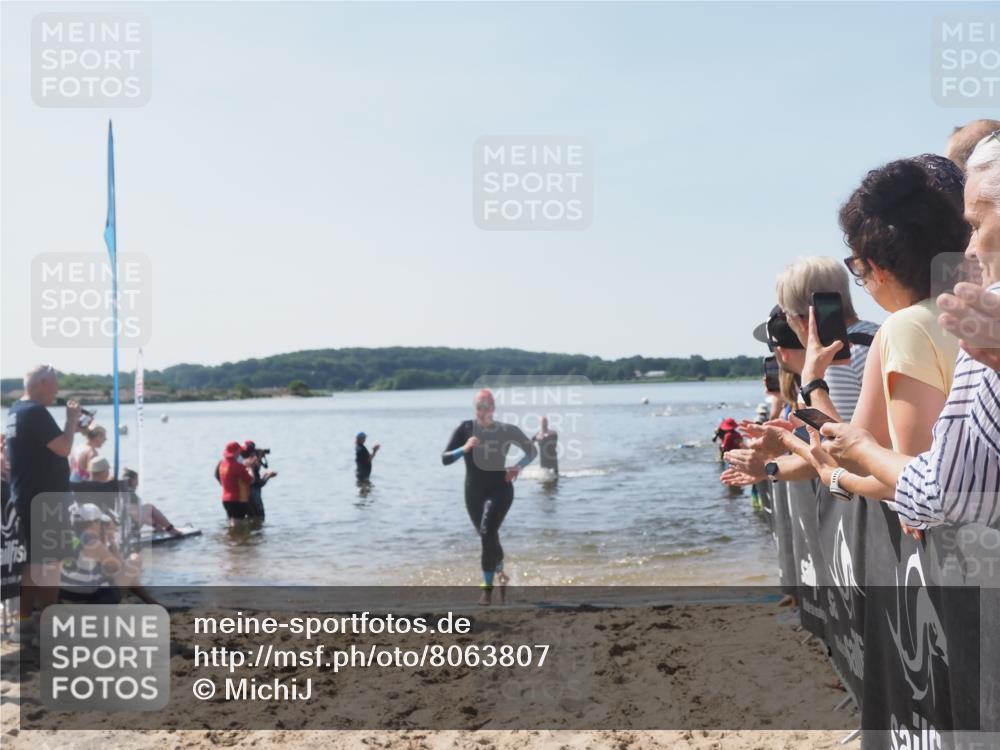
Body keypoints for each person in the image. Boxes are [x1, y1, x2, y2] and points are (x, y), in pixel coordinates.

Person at [798, 133, 1000, 530]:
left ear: (876, 268)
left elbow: (917, 480)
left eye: (976, 226)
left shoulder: (907, 327)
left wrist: (812, 386)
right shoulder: (977, 312)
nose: (972, 247)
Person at [4, 365, 79, 644]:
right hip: (46, 500)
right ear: (43, 383)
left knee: (33, 563)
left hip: (27, 497)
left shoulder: (16, 410)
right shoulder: (35, 412)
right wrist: (71, 421)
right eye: (55, 384)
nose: (57, 390)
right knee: (51, 564)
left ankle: (23, 625)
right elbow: (64, 448)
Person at [442, 389, 537, 605]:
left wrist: (518, 466)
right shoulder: (465, 429)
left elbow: (532, 451)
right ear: (475, 408)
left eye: (487, 406)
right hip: (473, 492)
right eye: (479, 407)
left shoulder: (506, 430)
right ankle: (501, 574)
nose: (483, 411)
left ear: (493, 409)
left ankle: (487, 590)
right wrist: (464, 448)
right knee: (488, 536)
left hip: (500, 489)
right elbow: (445, 459)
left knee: (487, 532)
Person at [59, 503, 140, 605]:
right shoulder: (91, 542)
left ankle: (147, 600)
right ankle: (127, 602)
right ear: (94, 523)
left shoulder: (71, 537)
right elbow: (119, 567)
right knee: (134, 559)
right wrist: (112, 540)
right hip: (86, 599)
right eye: (101, 523)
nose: (102, 527)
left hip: (67, 595)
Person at [121, 468, 182, 537]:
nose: (138, 483)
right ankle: (171, 529)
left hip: (126, 526)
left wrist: (156, 525)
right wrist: (155, 525)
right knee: (150, 507)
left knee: (146, 509)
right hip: (130, 528)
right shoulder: (130, 495)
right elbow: (138, 516)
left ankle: (163, 528)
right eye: (137, 480)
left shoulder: (124, 493)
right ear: (132, 481)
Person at [217, 441, 253, 526]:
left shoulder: (222, 464)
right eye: (239, 451)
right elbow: (250, 480)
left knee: (231, 523)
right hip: (238, 500)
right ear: (236, 452)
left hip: (225, 500)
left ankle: (232, 535)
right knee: (239, 525)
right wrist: (250, 467)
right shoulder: (238, 466)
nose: (240, 453)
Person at [241, 441, 277, 519]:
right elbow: (256, 483)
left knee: (248, 517)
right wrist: (268, 476)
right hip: (253, 494)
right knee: (259, 516)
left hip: (241, 494)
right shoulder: (251, 463)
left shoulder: (239, 460)